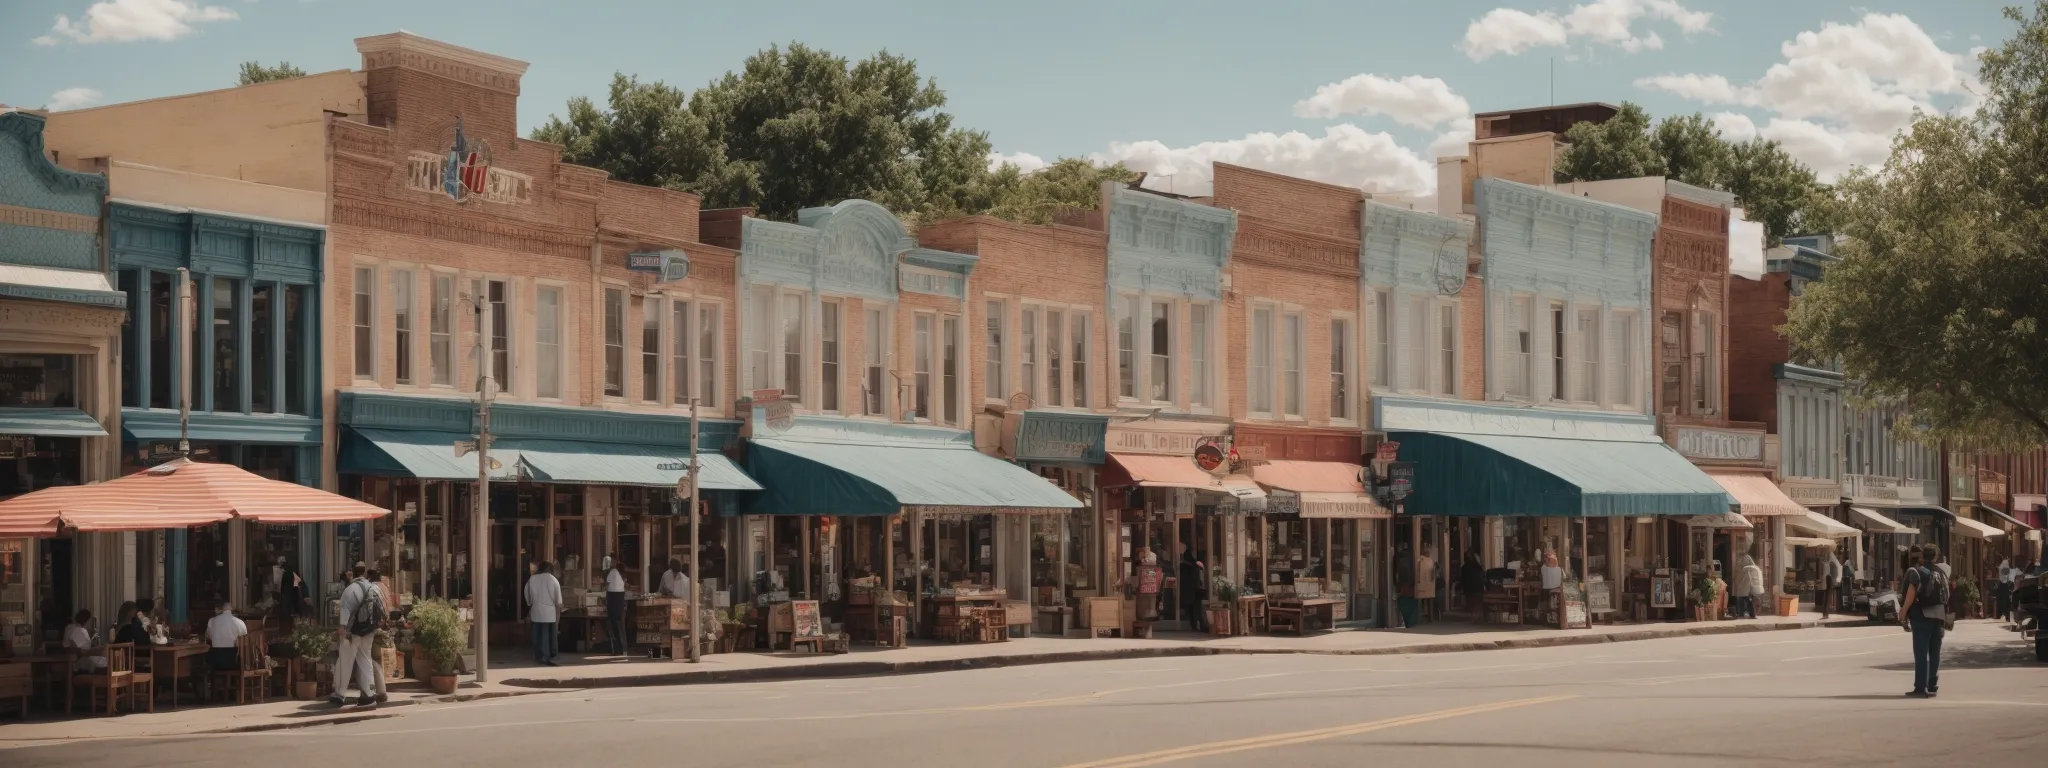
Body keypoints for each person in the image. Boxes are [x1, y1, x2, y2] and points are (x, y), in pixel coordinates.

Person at [1900, 544, 1947, 698]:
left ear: (1922, 556)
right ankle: (1932, 685)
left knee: (1921, 652)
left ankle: (1921, 687)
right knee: (1935, 652)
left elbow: (1911, 593)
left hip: (1921, 615)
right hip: (1939, 615)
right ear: (1936, 557)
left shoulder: (1915, 572)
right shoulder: (1941, 572)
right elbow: (1947, 595)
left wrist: (1903, 612)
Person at [331, 565, 381, 707]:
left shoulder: (349, 590)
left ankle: (340, 694)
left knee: (346, 660)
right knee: (365, 659)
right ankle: (370, 694)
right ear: (365, 573)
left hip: (352, 632)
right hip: (369, 630)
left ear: (353, 573)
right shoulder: (373, 588)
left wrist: (342, 628)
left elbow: (345, 611)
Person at [526, 561, 564, 666]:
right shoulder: (554, 580)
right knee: (550, 637)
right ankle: (552, 657)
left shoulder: (532, 579)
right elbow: (558, 603)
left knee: (537, 636)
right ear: (551, 570)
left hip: (536, 610)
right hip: (550, 613)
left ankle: (540, 657)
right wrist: (558, 619)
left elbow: (528, 597)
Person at [203, 597, 246, 688]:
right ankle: (234, 689)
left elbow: (207, 636)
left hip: (215, 660)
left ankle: (214, 688)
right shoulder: (240, 623)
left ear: (221, 609)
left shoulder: (212, 621)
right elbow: (244, 640)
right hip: (233, 661)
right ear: (231, 609)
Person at [1178, 546, 1208, 633]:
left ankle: (1194, 626)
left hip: (1188, 592)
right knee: (1197, 609)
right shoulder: (1196, 565)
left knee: (1191, 610)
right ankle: (1201, 626)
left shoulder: (1182, 567)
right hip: (1197, 590)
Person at [603, 554, 627, 656]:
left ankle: (617, 647)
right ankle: (621, 647)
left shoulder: (613, 572)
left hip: (613, 597)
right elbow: (625, 582)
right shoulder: (620, 572)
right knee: (619, 624)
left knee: (614, 623)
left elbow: (606, 585)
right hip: (619, 597)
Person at [1394, 542, 1417, 628]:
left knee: (1403, 605)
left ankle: (1405, 622)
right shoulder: (1412, 557)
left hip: (1403, 586)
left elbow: (1396, 573)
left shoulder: (1398, 557)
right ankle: (1409, 623)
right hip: (1410, 586)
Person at [1414, 544, 1438, 625]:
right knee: (1428, 601)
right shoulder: (1429, 561)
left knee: (1423, 601)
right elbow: (1433, 573)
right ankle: (1429, 617)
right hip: (1428, 584)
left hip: (1423, 584)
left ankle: (1422, 617)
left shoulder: (1421, 560)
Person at [1459, 551, 1486, 616]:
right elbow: (1482, 578)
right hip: (1479, 589)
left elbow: (1462, 580)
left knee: (1471, 599)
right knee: (1478, 599)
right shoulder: (1478, 567)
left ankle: (1473, 614)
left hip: (1469, 590)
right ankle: (1478, 614)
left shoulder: (1464, 568)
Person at [1994, 557, 2016, 623]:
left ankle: (2005, 616)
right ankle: (2006, 616)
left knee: (2005, 602)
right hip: (2004, 585)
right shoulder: (2005, 567)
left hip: (2003, 586)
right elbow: (2007, 575)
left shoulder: (2002, 567)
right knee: (2006, 602)